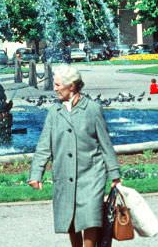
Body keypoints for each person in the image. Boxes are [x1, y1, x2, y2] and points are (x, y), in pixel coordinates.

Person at [28, 65, 121, 247]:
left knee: (90, 217)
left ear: (71, 86)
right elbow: (44, 146)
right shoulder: (54, 112)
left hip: (91, 174)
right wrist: (35, 174)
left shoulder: (92, 109)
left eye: (57, 85)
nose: (54, 88)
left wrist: (115, 174)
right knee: (70, 219)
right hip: (64, 174)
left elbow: (105, 144)